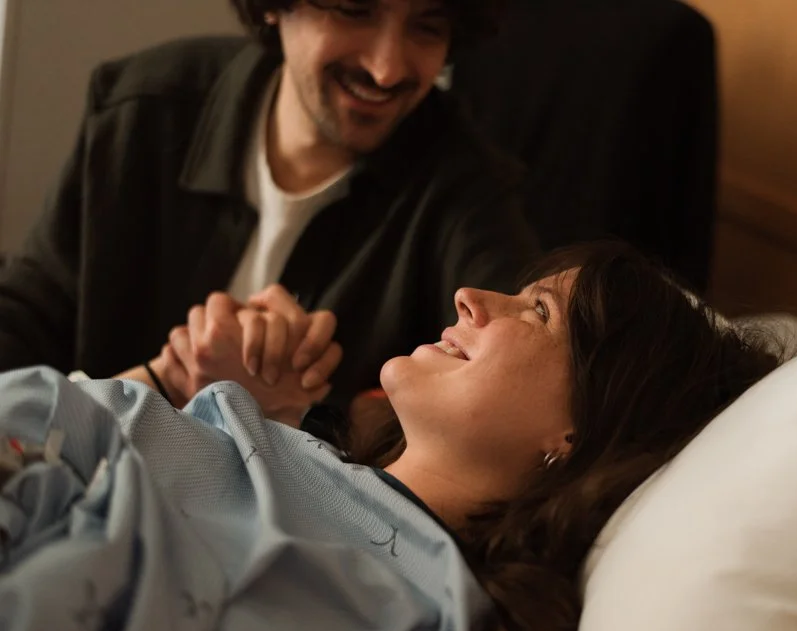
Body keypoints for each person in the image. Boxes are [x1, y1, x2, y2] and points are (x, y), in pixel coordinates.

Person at [0, 242, 779, 631]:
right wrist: (170, 381)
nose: (472, 296)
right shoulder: (275, 437)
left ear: (576, 434)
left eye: (538, 312)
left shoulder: (423, 614)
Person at [0, 0, 539, 421]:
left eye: (427, 26)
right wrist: (167, 379)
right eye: (354, 10)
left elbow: (516, 391)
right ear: (272, 5)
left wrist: (308, 413)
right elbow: (27, 318)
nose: (386, 68)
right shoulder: (142, 109)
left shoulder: (469, 187)